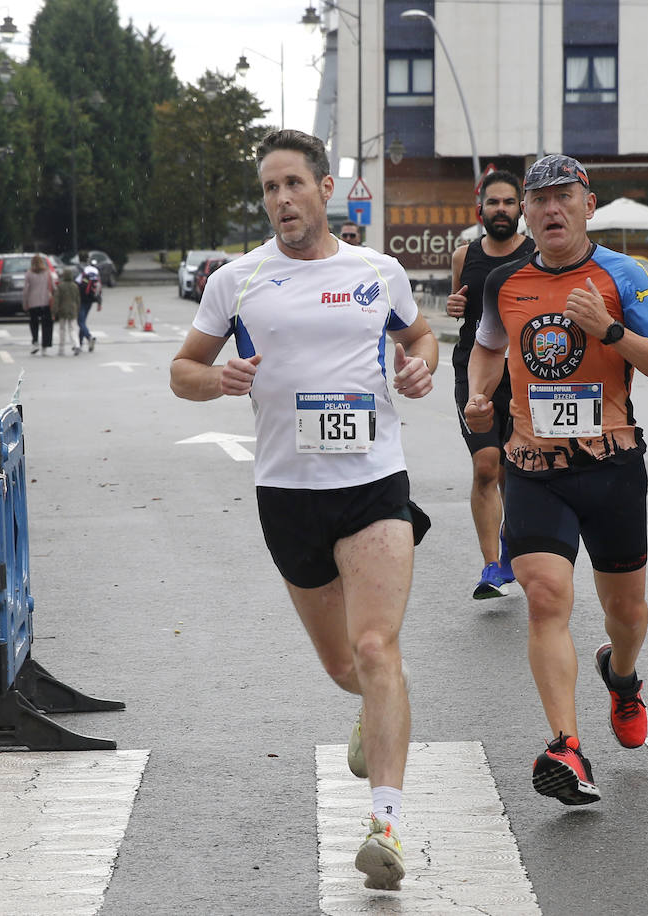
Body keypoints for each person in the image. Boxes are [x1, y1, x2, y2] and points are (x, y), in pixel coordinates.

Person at [170, 129, 437, 892]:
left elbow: (420, 334)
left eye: (293, 184)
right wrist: (214, 378)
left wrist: (421, 364)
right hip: (288, 494)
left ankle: (384, 824)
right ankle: (377, 701)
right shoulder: (239, 281)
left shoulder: (376, 272)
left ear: (325, 189)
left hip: (374, 483)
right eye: (268, 189)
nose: (281, 199)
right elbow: (182, 369)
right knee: (344, 664)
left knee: (378, 647)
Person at [464, 154, 648, 806]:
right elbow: (485, 345)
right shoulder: (504, 283)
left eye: (565, 197)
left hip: (612, 464)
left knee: (627, 612)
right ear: (525, 213)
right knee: (544, 596)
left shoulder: (623, 275)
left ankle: (621, 678)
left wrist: (610, 330)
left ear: (589, 205)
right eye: (540, 200)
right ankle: (567, 745)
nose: (551, 209)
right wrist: (480, 395)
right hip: (533, 469)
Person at [446, 170, 536, 599]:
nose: (501, 209)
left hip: (524, 371)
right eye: (493, 202)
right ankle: (491, 566)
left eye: (509, 202)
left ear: (521, 208)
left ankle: (509, 545)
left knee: (512, 468)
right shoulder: (464, 255)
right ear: (479, 209)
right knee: (486, 464)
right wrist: (454, 304)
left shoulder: (538, 254)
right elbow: (459, 304)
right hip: (475, 368)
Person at [22, 253, 55, 355]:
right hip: (45, 302)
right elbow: (53, 286)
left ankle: (35, 342)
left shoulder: (29, 273)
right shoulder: (47, 273)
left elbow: (26, 290)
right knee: (46, 324)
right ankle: (45, 345)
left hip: (33, 302)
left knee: (34, 323)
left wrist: (25, 303)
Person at [75, 251, 101, 353]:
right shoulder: (93, 269)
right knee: (83, 321)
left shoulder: (79, 269)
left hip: (81, 299)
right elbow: (98, 285)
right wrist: (99, 301)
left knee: (80, 322)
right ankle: (80, 343)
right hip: (90, 299)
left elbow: (76, 284)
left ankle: (89, 338)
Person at [52, 264, 80, 355]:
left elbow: (56, 300)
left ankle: (61, 348)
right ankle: (76, 344)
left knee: (62, 329)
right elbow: (78, 299)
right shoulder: (75, 286)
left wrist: (54, 311)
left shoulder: (60, 286)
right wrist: (77, 310)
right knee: (73, 329)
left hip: (62, 310)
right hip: (73, 309)